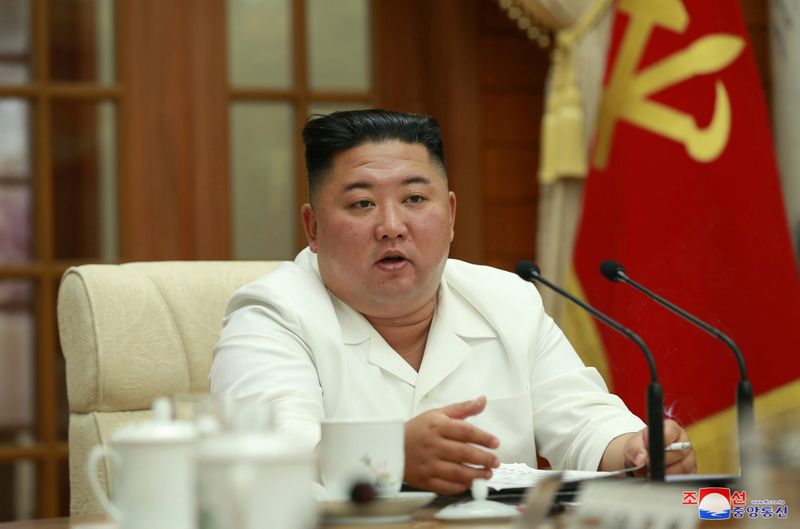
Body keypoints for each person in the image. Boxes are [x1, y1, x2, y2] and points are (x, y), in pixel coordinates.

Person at [210, 109, 696, 494]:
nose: (391, 225)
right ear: (313, 227)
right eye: (362, 203)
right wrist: (391, 456)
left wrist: (636, 449)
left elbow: (584, 421)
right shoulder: (270, 314)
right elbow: (270, 457)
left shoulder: (507, 298)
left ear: (451, 213)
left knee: (751, 512)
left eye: (415, 200)